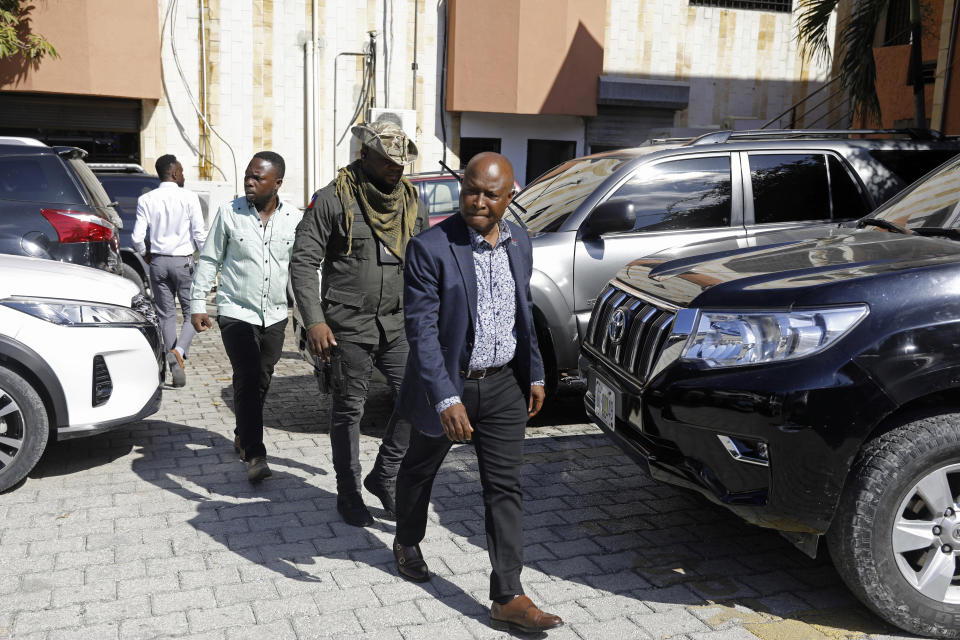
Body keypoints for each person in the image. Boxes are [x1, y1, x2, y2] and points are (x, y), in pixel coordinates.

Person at [392, 152, 562, 634]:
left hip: (504, 384)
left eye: (490, 194)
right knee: (420, 470)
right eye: (471, 189)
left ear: (511, 197)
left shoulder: (519, 240)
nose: (477, 201)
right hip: (448, 385)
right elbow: (422, 331)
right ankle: (406, 539)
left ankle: (507, 595)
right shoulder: (430, 248)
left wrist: (535, 374)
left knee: (505, 488)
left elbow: (522, 311)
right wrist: (446, 398)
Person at [290, 121, 429, 527]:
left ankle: (383, 475)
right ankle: (348, 491)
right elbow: (302, 263)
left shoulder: (409, 200)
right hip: (347, 324)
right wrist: (313, 321)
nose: (396, 169)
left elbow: (420, 262)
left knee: (416, 398)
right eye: (388, 162)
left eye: (401, 163)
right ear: (364, 156)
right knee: (349, 409)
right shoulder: (334, 199)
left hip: (397, 323)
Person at [189, 151, 298, 483]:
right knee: (248, 376)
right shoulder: (229, 213)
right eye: (248, 176)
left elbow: (305, 269)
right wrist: (197, 304)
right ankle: (255, 453)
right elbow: (209, 259)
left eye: (258, 178)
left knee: (262, 378)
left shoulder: (293, 218)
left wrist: (315, 314)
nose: (249, 182)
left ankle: (242, 431)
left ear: (276, 183)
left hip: (276, 313)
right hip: (236, 311)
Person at [132, 154, 206, 387]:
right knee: (192, 311)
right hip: (183, 262)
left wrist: (145, 253)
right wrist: (207, 261)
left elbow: (136, 238)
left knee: (166, 315)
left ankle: (173, 363)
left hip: (158, 263)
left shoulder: (146, 199)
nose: (183, 175)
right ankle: (179, 353)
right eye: (182, 171)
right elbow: (199, 234)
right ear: (174, 173)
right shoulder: (189, 197)